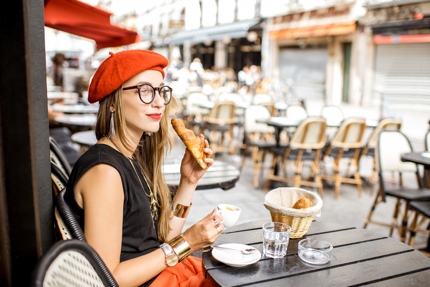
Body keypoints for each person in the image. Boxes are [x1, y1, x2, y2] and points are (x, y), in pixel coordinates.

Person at [64, 50, 223, 287]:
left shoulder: (131, 157)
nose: (159, 101)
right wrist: (187, 243)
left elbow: (162, 238)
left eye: (160, 90)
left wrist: (188, 182)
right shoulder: (104, 172)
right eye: (145, 91)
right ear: (112, 103)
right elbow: (107, 277)